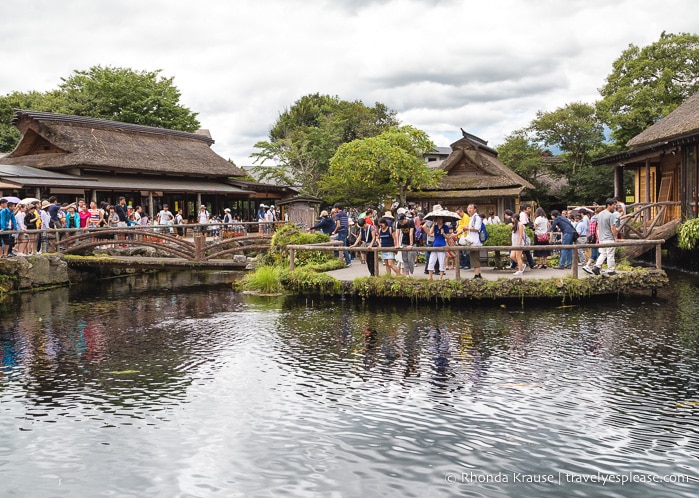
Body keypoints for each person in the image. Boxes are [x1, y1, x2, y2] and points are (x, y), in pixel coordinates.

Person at [584, 198, 619, 276]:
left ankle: (597, 266)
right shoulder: (611, 215)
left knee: (603, 253)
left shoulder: (600, 214)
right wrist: (615, 237)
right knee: (610, 254)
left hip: (602, 238)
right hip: (609, 238)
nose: (614, 207)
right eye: (613, 205)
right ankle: (611, 269)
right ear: (609, 205)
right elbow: (612, 227)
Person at [427, 214, 449, 281]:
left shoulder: (445, 227)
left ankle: (440, 277)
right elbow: (430, 233)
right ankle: (430, 277)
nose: (439, 220)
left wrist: (443, 233)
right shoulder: (435, 226)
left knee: (442, 261)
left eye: (440, 219)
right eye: (438, 219)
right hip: (435, 245)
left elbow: (448, 237)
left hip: (442, 245)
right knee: (431, 261)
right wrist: (433, 224)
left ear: (443, 220)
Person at [464, 204, 483, 279]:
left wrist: (467, 228)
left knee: (475, 258)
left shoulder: (477, 218)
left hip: (475, 241)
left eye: (471, 208)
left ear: (475, 209)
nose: (469, 209)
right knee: (474, 257)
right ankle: (479, 274)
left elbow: (476, 228)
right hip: (472, 241)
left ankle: (476, 275)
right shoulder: (472, 218)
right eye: (468, 208)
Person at [518, 204, 536, 270]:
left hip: (525, 234)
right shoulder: (522, 214)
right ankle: (531, 264)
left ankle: (531, 264)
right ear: (525, 209)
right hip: (523, 233)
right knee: (523, 250)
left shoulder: (526, 215)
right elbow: (524, 224)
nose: (530, 210)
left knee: (525, 250)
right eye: (529, 208)